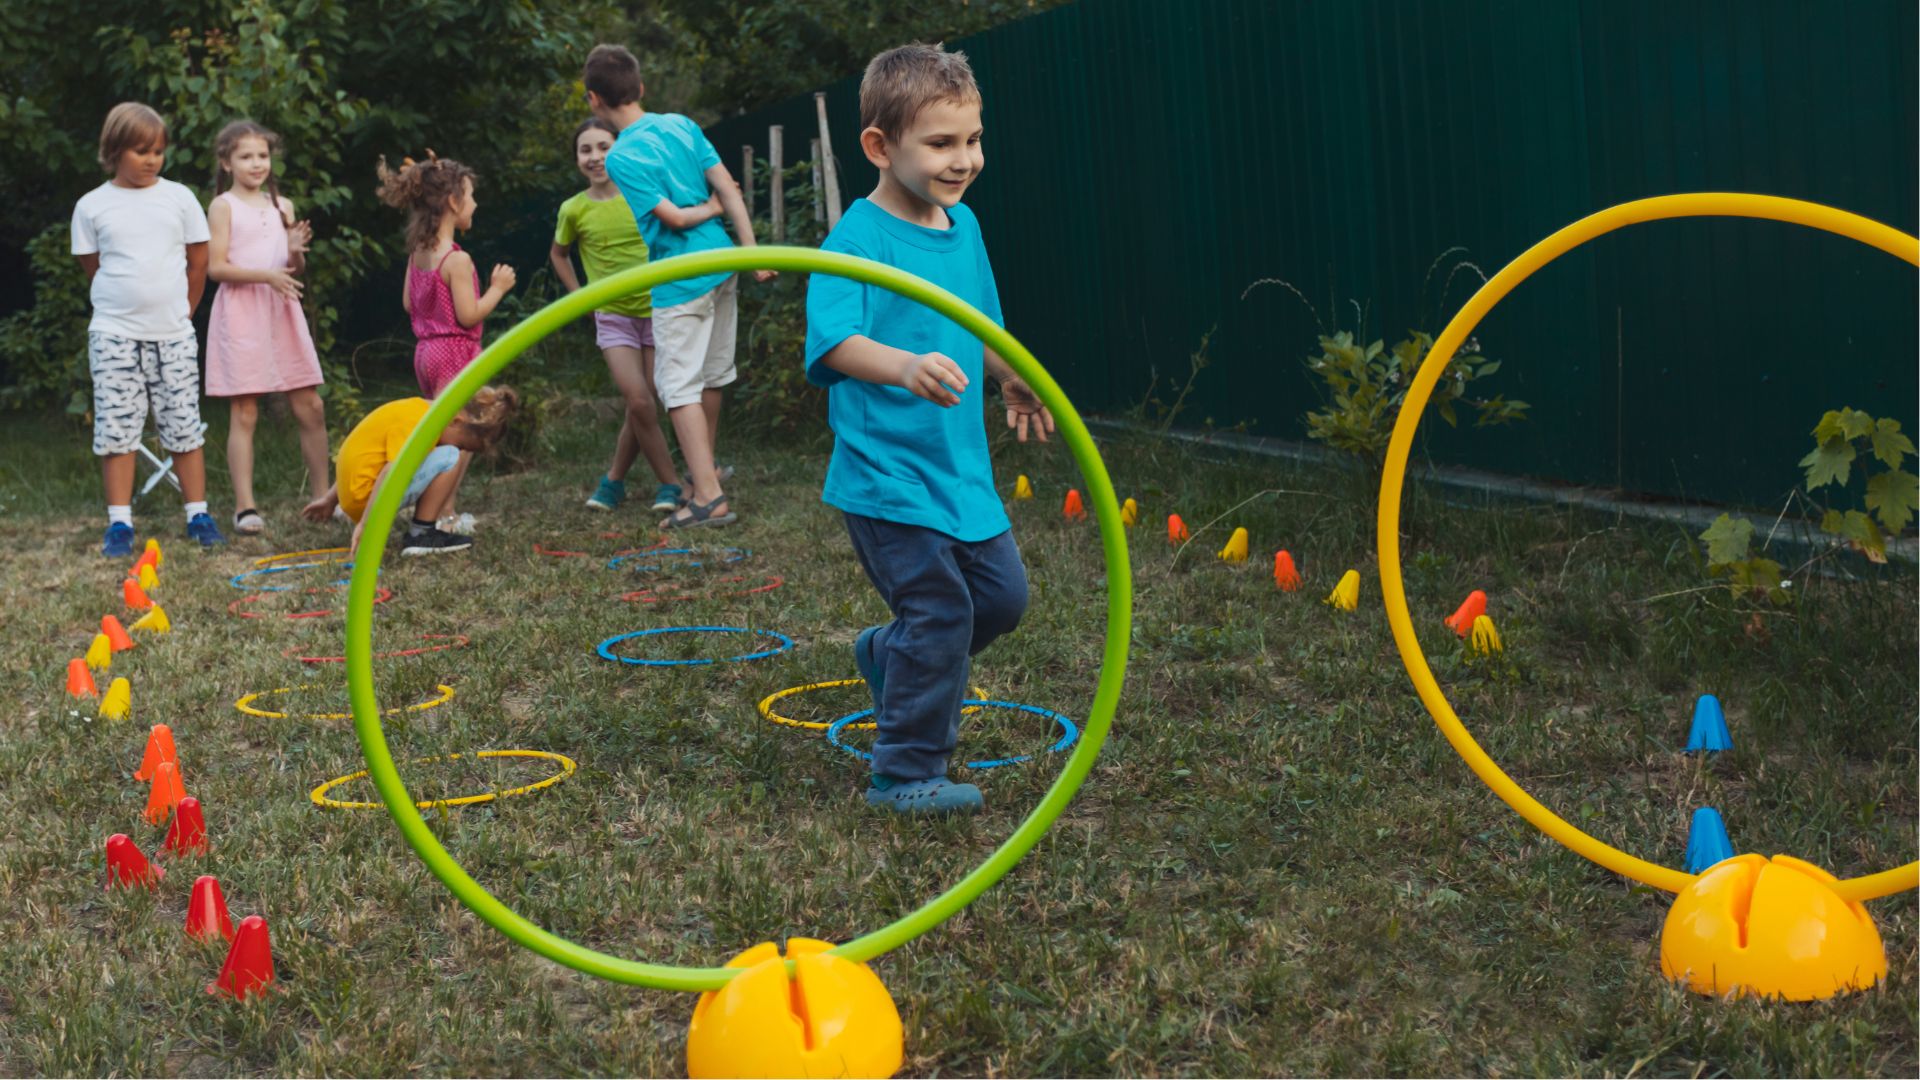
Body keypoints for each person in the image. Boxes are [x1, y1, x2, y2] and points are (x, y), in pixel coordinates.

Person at [804, 43, 1054, 815]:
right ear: (880, 147)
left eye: (972, 139)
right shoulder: (856, 242)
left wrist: (1007, 373)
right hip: (888, 474)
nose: (964, 158)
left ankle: (892, 654)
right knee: (942, 615)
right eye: (942, 142)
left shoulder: (963, 226)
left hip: (959, 467)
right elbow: (834, 342)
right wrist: (905, 365)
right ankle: (903, 773)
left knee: (1001, 602)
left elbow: (977, 323)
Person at [585, 43, 770, 530]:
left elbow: (674, 218)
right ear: (641, 87)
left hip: (680, 276)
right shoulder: (682, 125)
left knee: (677, 386)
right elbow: (728, 187)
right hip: (724, 262)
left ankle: (707, 496)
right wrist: (751, 253)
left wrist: (707, 211)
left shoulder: (622, 157)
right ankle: (700, 478)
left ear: (594, 100)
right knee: (711, 375)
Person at [71, 102, 225, 554]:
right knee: (117, 428)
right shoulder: (91, 206)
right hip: (114, 335)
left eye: (158, 151)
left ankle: (198, 513)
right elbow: (94, 267)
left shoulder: (179, 198)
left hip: (173, 335)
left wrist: (183, 312)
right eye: (141, 151)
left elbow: (198, 263)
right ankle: (120, 523)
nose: (152, 160)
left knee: (183, 423)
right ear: (114, 150)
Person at [550, 117, 697, 515]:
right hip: (613, 315)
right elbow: (559, 254)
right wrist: (579, 297)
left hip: (658, 308)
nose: (595, 157)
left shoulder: (642, 194)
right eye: (585, 149)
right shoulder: (573, 209)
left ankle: (613, 480)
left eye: (604, 147)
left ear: (620, 151)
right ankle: (669, 484)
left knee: (648, 402)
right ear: (576, 158)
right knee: (638, 401)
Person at [374, 152, 516, 533]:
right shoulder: (457, 260)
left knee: (439, 428)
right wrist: (498, 289)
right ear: (453, 202)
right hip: (455, 352)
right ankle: (445, 513)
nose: (475, 204)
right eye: (470, 196)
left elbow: (409, 304)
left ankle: (436, 507)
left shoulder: (418, 253)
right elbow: (469, 315)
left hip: (426, 352)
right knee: (462, 432)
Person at [204, 119, 330, 536]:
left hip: (281, 310)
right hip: (242, 313)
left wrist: (294, 252)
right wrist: (267, 275)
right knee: (245, 411)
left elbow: (294, 269)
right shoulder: (223, 206)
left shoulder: (283, 206)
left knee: (310, 405)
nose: (257, 163)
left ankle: (324, 497)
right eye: (246, 157)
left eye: (262, 155)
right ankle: (245, 508)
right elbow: (217, 267)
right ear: (227, 163)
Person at [302, 387, 519, 558]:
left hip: (356, 497)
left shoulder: (415, 409)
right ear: (456, 421)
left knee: (440, 455)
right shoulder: (419, 424)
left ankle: (419, 531)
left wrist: (330, 500)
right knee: (449, 457)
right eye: (463, 444)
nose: (461, 449)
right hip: (367, 501)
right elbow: (390, 471)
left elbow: (366, 463)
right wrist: (367, 526)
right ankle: (421, 535)